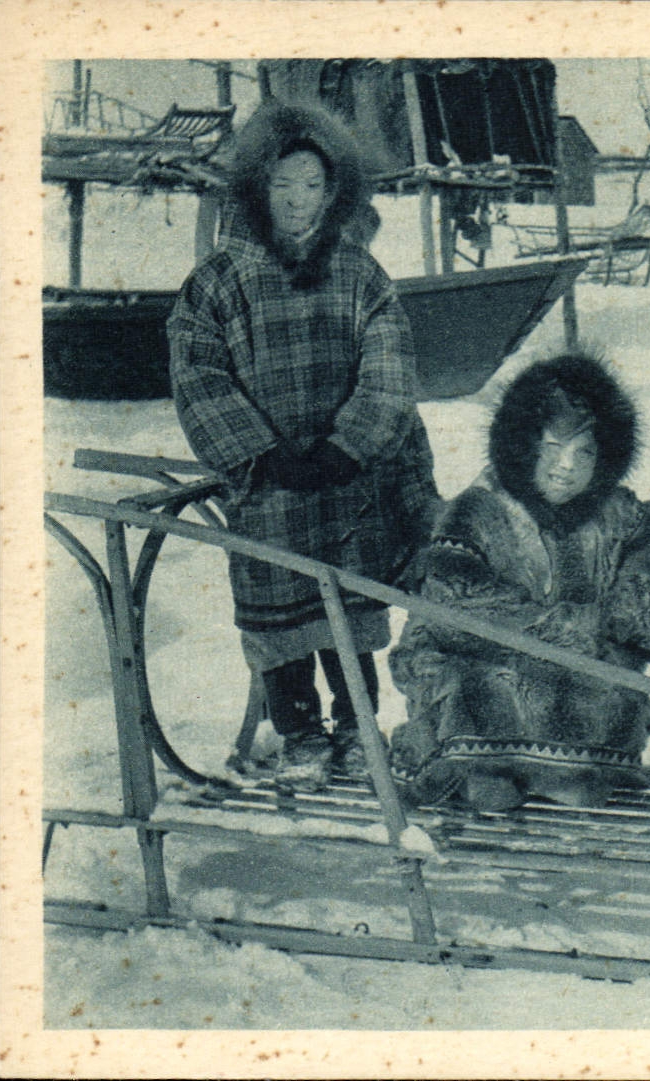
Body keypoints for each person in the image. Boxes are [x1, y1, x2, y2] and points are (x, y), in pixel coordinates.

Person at [168, 101, 439, 791]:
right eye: (282, 185)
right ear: (257, 187)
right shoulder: (217, 282)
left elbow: (390, 364)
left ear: (334, 191)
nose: (297, 200)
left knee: (349, 604)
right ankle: (299, 732)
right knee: (280, 608)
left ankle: (356, 726)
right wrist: (261, 453)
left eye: (312, 187)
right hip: (270, 487)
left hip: (348, 484)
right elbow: (199, 377)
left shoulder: (359, 275)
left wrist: (351, 443)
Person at [387, 352, 650, 812]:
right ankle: (486, 772)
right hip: (469, 657)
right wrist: (564, 633)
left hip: (578, 666)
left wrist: (631, 608)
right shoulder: (478, 508)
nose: (567, 466)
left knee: (614, 695)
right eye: (553, 448)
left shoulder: (613, 509)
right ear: (524, 446)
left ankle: (550, 777)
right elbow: (456, 606)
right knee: (493, 691)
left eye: (584, 453)